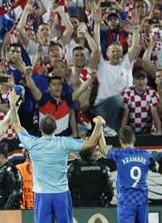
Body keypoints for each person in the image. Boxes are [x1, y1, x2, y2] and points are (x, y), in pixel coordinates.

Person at [9, 91, 105, 223]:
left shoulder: (32, 143)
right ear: (56, 128)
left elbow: (15, 124)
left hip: (42, 196)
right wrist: (98, 124)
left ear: (40, 128)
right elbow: (91, 143)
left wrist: (13, 104)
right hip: (61, 194)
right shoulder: (63, 142)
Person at [99, 126, 162, 223]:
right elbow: (155, 167)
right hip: (142, 201)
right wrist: (154, 165)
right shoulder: (146, 154)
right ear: (134, 139)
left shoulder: (119, 154)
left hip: (126, 201)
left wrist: (99, 127)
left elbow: (103, 148)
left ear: (120, 140)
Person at [0, 140, 22, 210]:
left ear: (0, 156)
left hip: (9, 210)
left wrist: (6, 208)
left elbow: (17, 191)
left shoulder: (12, 169)